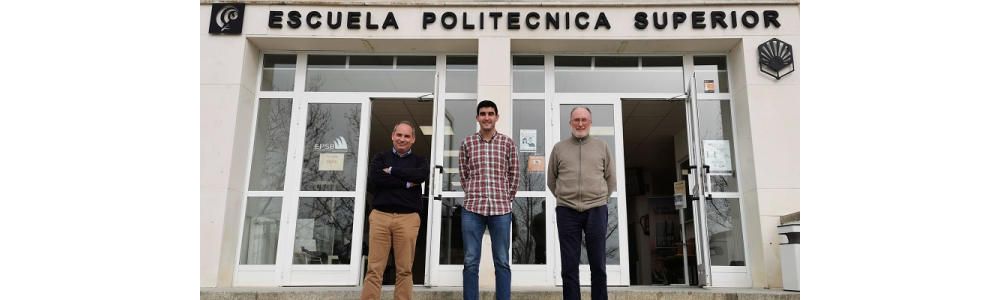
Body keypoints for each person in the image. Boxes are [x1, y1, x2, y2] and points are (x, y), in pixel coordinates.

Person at [547, 107, 616, 300]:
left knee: (598, 265)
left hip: (596, 210)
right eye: (576, 120)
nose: (580, 123)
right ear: (570, 123)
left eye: (584, 120)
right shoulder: (559, 148)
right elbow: (551, 180)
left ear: (590, 122)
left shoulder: (602, 147)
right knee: (569, 265)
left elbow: (611, 178)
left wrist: (600, 198)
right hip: (567, 211)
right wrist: (564, 197)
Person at [458, 100, 520, 300]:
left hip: (501, 210)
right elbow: (463, 173)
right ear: (477, 118)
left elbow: (514, 174)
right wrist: (473, 193)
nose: (486, 117)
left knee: (502, 260)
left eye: (490, 113)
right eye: (483, 114)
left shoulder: (507, 143)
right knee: (470, 260)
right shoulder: (467, 143)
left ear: (496, 117)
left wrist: (505, 197)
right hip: (472, 209)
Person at [361, 121, 429, 300]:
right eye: (399, 135)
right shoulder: (380, 157)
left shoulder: (420, 161)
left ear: (413, 139)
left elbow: (420, 176)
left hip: (408, 218)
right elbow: (376, 178)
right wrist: (406, 182)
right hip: (380, 217)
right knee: (374, 268)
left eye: (407, 136)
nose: (402, 139)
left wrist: (391, 171)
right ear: (392, 136)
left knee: (404, 270)